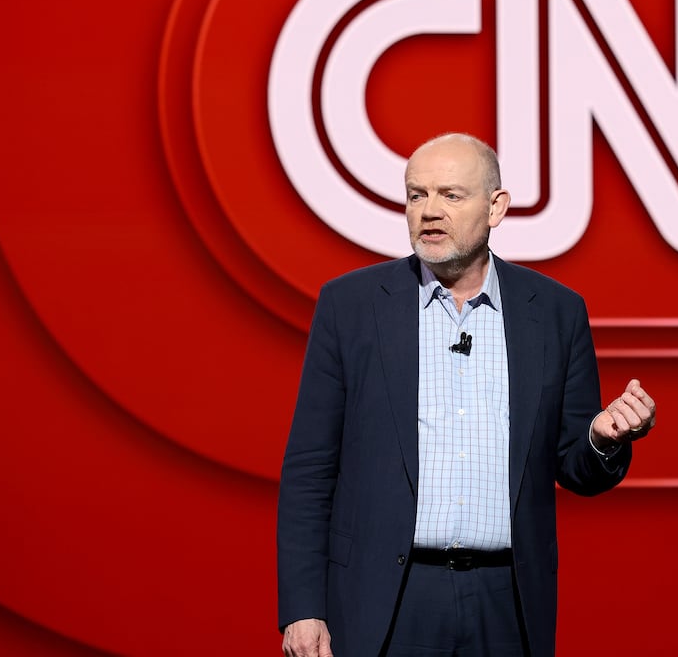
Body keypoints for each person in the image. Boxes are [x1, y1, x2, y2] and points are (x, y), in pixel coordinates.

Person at [277, 132, 656, 657]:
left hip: (506, 600)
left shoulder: (555, 312)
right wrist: (303, 606)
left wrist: (601, 439)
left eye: (450, 195)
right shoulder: (351, 306)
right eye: (417, 195)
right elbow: (310, 470)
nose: (429, 211)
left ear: (496, 207)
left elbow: (578, 469)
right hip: (384, 597)